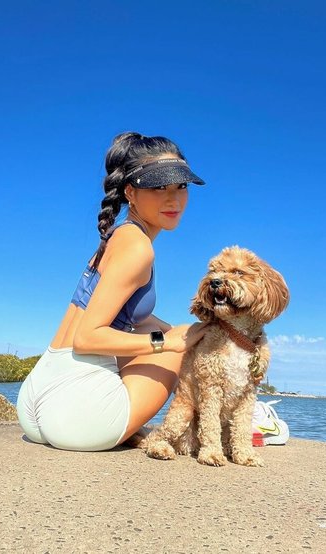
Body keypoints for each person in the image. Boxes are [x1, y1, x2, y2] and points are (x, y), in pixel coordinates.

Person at [16, 132, 208, 451]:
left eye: (181, 186)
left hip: (36, 395)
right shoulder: (138, 248)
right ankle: (215, 424)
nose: (173, 199)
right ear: (130, 192)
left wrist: (177, 330)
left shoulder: (118, 236)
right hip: (77, 416)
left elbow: (132, 316)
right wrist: (167, 342)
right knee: (179, 349)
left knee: (175, 335)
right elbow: (88, 337)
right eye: (159, 187)